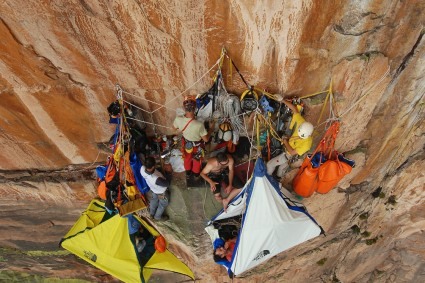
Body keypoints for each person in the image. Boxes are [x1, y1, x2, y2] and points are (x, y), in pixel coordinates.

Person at [266, 99, 314, 178]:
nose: (299, 136)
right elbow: (294, 109)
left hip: (288, 154)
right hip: (287, 145)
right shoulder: (300, 121)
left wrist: (285, 142)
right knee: (281, 168)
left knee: (270, 164)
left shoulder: (307, 144)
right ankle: (278, 178)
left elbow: (292, 152)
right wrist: (282, 100)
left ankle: (267, 179)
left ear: (308, 135)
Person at [173, 95, 214, 185]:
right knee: (196, 160)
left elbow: (174, 129)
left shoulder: (178, 119)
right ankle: (196, 174)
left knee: (187, 159)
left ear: (184, 108)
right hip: (197, 145)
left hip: (186, 143)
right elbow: (206, 140)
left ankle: (188, 173)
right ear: (195, 108)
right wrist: (211, 129)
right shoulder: (199, 125)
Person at [140, 156, 170, 221]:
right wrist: (168, 173)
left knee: (154, 201)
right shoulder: (156, 178)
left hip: (153, 189)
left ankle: (151, 214)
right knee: (162, 204)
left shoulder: (142, 168)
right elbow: (167, 184)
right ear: (153, 166)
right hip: (161, 192)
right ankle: (157, 217)